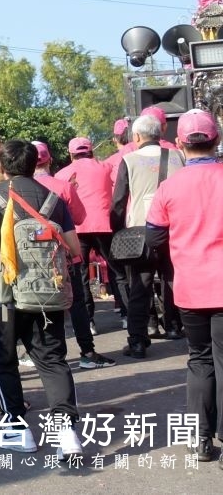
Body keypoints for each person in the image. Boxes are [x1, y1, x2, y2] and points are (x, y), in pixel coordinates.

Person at [0, 140, 84, 459]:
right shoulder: (54, 198)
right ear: (36, 164)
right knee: (52, 360)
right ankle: (67, 435)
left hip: (4, 294)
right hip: (47, 294)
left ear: (2, 167)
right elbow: (75, 249)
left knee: (3, 359)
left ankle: (16, 428)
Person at [144, 109, 223, 465]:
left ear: (178, 144)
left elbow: (154, 235)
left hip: (190, 287)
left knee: (200, 359)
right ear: (217, 139)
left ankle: (201, 439)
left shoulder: (168, 187)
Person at [33, 142, 113, 369]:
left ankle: (40, 354)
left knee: (37, 305)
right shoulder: (63, 186)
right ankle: (87, 352)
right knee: (76, 302)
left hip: (32, 259)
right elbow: (79, 218)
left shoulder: (14, 188)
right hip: (65, 256)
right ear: (48, 160)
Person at [111, 113, 184, 358]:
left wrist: (118, 229)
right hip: (174, 229)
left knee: (139, 288)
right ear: (160, 133)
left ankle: (138, 341)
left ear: (137, 136)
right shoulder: (178, 156)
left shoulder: (129, 160)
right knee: (172, 279)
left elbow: (119, 201)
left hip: (141, 231)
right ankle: (174, 326)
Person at [56, 136, 125, 347]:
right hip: (105, 225)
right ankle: (126, 315)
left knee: (82, 275)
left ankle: (90, 321)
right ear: (91, 151)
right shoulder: (105, 167)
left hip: (78, 229)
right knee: (118, 273)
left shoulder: (62, 174)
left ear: (71, 154)